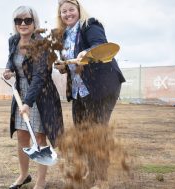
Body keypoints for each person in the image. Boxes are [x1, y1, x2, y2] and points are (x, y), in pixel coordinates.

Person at [54, 0, 126, 188]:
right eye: (64, 11)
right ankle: (90, 172)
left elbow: (99, 45)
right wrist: (63, 66)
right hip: (79, 91)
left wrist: (85, 52)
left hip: (101, 85)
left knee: (96, 132)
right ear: (59, 15)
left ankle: (102, 180)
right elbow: (71, 63)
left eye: (71, 9)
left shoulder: (90, 24)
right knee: (83, 133)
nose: (68, 14)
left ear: (78, 10)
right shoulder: (63, 35)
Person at [3, 6, 64, 189]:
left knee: (39, 138)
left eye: (27, 20)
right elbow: (11, 60)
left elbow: (39, 75)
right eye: (18, 21)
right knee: (22, 136)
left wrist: (28, 103)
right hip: (20, 92)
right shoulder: (13, 40)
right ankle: (23, 175)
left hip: (40, 95)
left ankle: (41, 181)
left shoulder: (41, 43)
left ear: (34, 22)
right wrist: (8, 70)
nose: (23, 24)